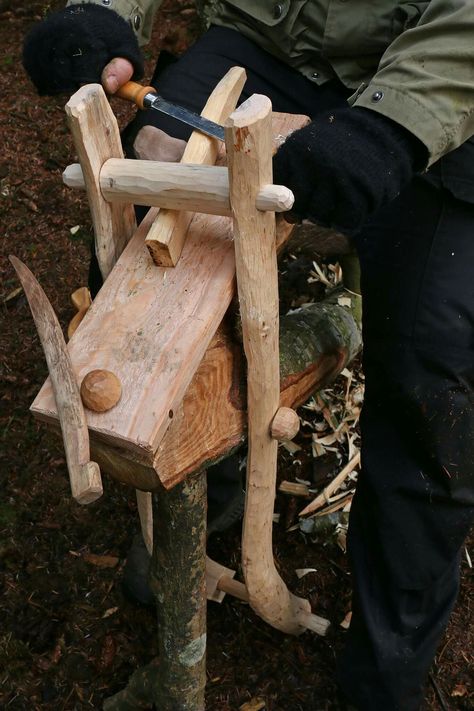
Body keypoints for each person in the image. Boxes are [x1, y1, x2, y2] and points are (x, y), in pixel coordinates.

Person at [22, 2, 474, 709]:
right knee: (145, 251)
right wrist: (102, 13)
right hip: (267, 47)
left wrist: (396, 123)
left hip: (443, 81)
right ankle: (195, 506)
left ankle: (388, 665)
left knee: (433, 375)